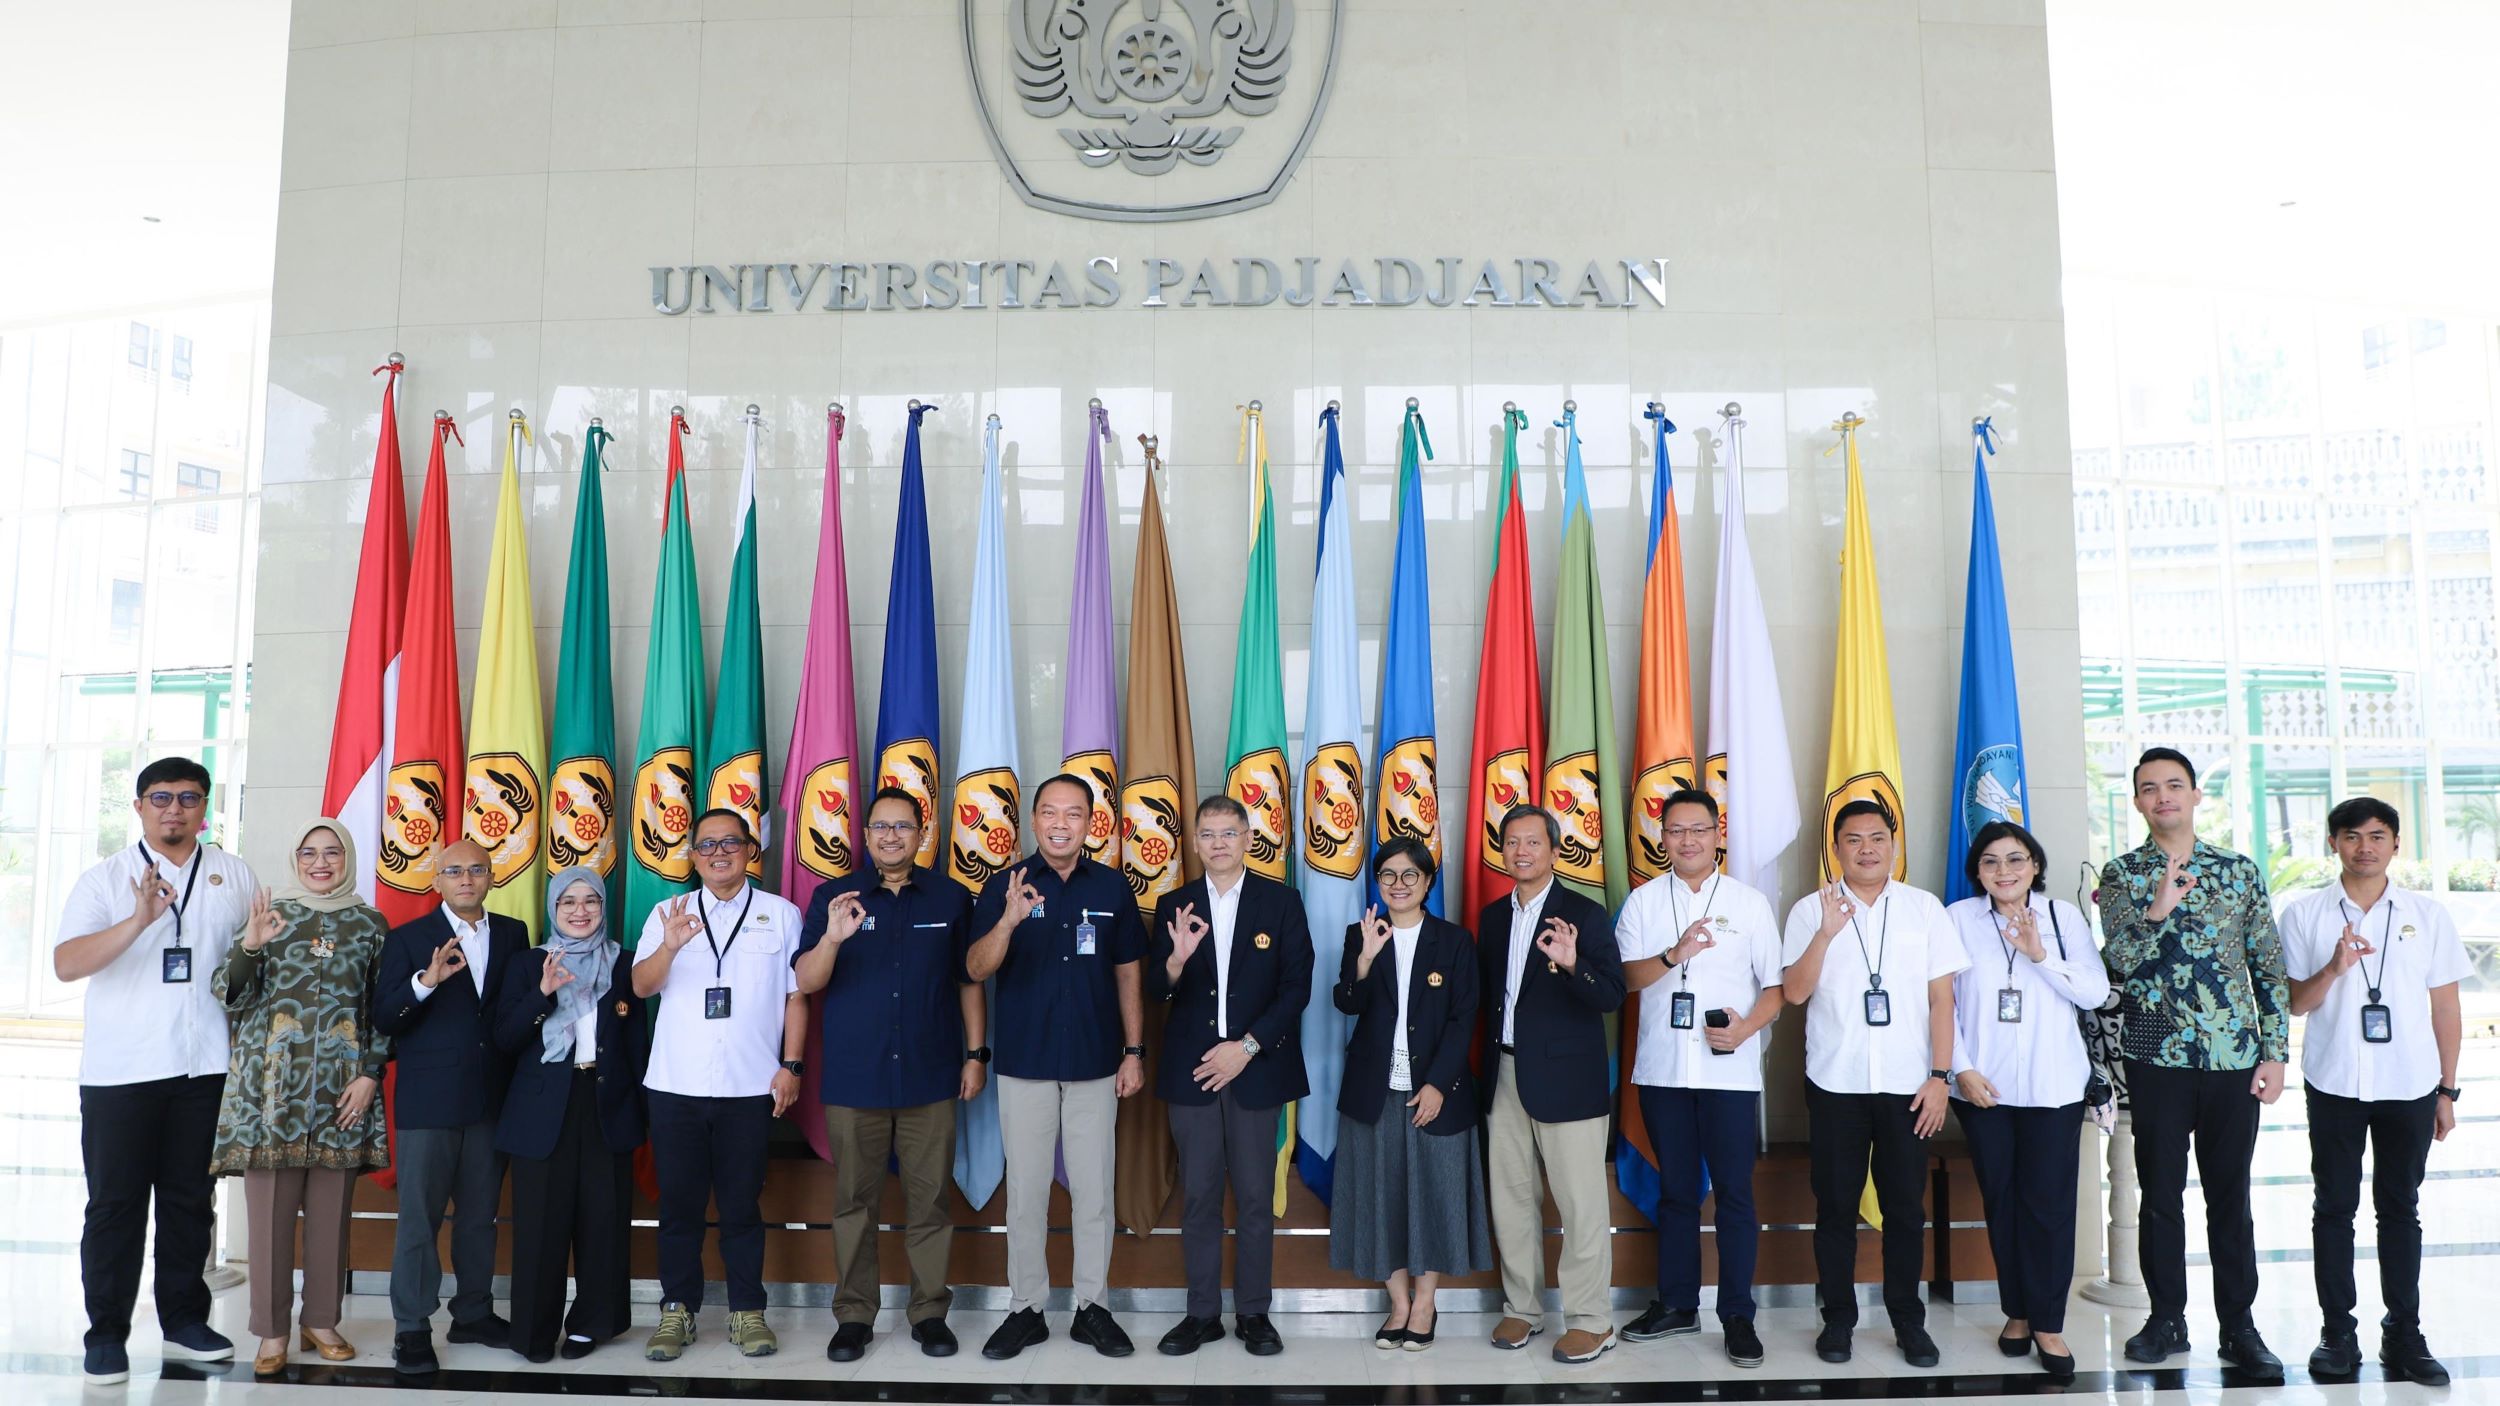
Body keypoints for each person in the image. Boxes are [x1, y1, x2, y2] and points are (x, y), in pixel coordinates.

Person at [54, 757, 254, 1383]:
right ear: (138, 806)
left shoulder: (233, 874)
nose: (174, 809)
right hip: (121, 1072)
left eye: (188, 798)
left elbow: (253, 961)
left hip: (204, 1069)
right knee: (115, 1206)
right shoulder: (104, 880)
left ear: (205, 808)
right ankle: (107, 1332)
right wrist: (139, 919)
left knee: (191, 1202)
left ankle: (185, 1321)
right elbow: (67, 963)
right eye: (161, 797)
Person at [2100, 747, 2291, 1380]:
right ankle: (2165, 1318)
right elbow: (2118, 963)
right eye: (2149, 788)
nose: (2163, 797)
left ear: (2194, 796)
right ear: (2136, 802)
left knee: (2229, 1196)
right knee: (2159, 1195)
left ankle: (2239, 1326)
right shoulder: (2123, 874)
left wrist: (2275, 1053)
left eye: (2174, 785)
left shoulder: (2237, 871)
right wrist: (2157, 903)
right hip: (2156, 1054)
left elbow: (2265, 965)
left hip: (2232, 1055)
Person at [791, 787, 985, 1362]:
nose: (892, 836)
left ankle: (929, 1313)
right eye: (881, 827)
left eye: (903, 827)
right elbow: (805, 981)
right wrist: (832, 937)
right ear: (867, 835)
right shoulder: (833, 897)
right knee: (855, 1203)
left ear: (922, 835)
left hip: (931, 1077)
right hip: (857, 1081)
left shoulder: (951, 898)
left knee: (930, 1203)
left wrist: (976, 1055)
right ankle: (854, 1316)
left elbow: (968, 980)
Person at [2281, 798, 2464, 1385]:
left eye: (2378, 835)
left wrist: (2447, 1089)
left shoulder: (2426, 914)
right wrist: (2333, 969)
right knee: (2332, 1209)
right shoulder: (2305, 914)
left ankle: (2403, 1335)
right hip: (2334, 1080)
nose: (2365, 846)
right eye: (2353, 835)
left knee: (2400, 1210)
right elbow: (2293, 1003)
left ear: (2395, 843)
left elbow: (2445, 1006)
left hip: (2409, 1083)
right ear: (2333, 843)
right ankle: (2337, 1335)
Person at [967, 774, 1148, 1362]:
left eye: (1074, 813)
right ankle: (1027, 1309)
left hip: (1097, 1062)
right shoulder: (1004, 886)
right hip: (1027, 1063)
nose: (1061, 823)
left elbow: (1128, 974)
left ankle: (1092, 1307)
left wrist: (1134, 1050)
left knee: (1094, 1190)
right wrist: (1008, 921)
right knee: (1025, 1193)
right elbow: (974, 968)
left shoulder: (1113, 887)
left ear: (1090, 822)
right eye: (1050, 813)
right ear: (1034, 821)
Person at [1780, 798, 1966, 1368]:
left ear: (1894, 844)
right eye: (1854, 839)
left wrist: (1940, 1078)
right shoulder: (1811, 910)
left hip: (1910, 1085)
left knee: (1905, 1210)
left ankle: (1908, 1321)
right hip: (1836, 1082)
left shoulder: (1924, 908)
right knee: (1835, 1207)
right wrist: (1827, 935)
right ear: (1836, 848)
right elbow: (1793, 993)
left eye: (1877, 838)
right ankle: (1838, 1320)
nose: (1867, 848)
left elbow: (1942, 999)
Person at [210, 819, 392, 1375]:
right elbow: (229, 994)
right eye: (309, 853)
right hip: (272, 1093)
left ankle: (321, 1320)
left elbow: (378, 1008)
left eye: (332, 852)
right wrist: (250, 945)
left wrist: (370, 1073)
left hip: (343, 1091)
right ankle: (270, 1331)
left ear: (348, 858)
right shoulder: (268, 916)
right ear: (295, 859)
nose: (321, 862)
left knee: (331, 1215)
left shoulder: (370, 924)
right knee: (267, 1218)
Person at [1616, 789, 1782, 1369]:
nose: (1687, 840)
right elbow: (1627, 980)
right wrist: (1672, 954)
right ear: (1662, 838)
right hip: (1663, 1070)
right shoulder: (1642, 902)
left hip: (1729, 1073)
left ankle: (1737, 1314)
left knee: (1735, 1195)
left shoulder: (1749, 903)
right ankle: (1677, 1304)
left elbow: (1776, 989)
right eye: (1676, 830)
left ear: (1718, 835)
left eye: (1699, 829)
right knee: (1676, 1194)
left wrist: (1745, 1031)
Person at [633, 809, 807, 1362]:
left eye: (730, 842)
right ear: (692, 854)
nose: (718, 852)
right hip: (676, 1085)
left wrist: (793, 1065)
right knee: (679, 1207)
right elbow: (640, 986)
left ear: (750, 850)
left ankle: (746, 1312)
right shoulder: (667, 912)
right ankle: (676, 1313)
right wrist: (670, 946)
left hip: (750, 1086)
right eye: (706, 844)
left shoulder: (781, 914)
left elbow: (795, 996)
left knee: (741, 1207)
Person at [1145, 794, 1313, 1358]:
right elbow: (1154, 991)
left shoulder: (1282, 902)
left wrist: (1245, 1048)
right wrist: (1174, 960)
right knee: (1199, 1196)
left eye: (1228, 833)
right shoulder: (1174, 903)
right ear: (1194, 843)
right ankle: (1201, 1314)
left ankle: (1254, 1314)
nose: (1218, 843)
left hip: (1256, 1068)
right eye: (1208, 835)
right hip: (1192, 1073)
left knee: (1255, 1197)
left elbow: (1297, 989)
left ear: (1248, 839)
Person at [1944, 821, 2109, 1382]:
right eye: (1990, 862)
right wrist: (1959, 1068)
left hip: (2053, 1086)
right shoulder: (1959, 920)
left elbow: (2094, 991)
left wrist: (2039, 954)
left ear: (2035, 864)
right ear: (1978, 873)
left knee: (2049, 1206)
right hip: (1982, 1088)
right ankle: (2016, 1310)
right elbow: (1941, 1002)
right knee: (2002, 1200)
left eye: (2015, 859)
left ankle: (2047, 1323)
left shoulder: (2062, 918)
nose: (2004, 871)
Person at [1327, 838, 1489, 1354]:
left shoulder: (1455, 941)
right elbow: (1346, 1003)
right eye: (1388, 876)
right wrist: (1365, 961)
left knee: (1434, 1195)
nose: (1398, 884)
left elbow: (1465, 1018)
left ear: (1426, 883)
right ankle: (1397, 1304)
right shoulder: (1361, 935)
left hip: (1437, 1092)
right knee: (1382, 1196)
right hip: (1373, 1091)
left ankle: (1425, 1304)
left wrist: (1439, 1084)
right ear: (1377, 883)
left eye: (1409, 876)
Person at [1477, 805, 1625, 1364]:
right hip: (1505, 1075)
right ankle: (1522, 1309)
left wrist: (1571, 963)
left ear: (1555, 850)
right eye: (1512, 842)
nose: (1521, 852)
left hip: (1568, 1080)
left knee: (1580, 1203)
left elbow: (1611, 994)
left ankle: (1591, 1320)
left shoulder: (1585, 915)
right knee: (1512, 1199)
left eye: (1533, 843)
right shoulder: (1493, 918)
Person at [375, 836, 525, 1373]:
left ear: (492, 876)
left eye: (477, 870)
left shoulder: (513, 934)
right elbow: (385, 1018)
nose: (466, 879)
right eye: (455, 871)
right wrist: (425, 982)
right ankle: (412, 1327)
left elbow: (506, 1017)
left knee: (479, 1219)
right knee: (419, 1220)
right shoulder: (409, 939)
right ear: (437, 880)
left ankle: (473, 1313)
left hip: (490, 1101)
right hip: (429, 1105)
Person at [491, 867, 647, 1363]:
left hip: (605, 1101)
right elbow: (505, 1039)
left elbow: (637, 1042)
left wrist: (642, 1110)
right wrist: (542, 993)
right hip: (542, 1107)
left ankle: (591, 1324)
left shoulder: (624, 964)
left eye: (591, 902)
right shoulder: (526, 963)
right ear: (553, 909)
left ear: (604, 907)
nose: (580, 911)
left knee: (603, 1221)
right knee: (540, 1225)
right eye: (568, 903)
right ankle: (534, 1332)